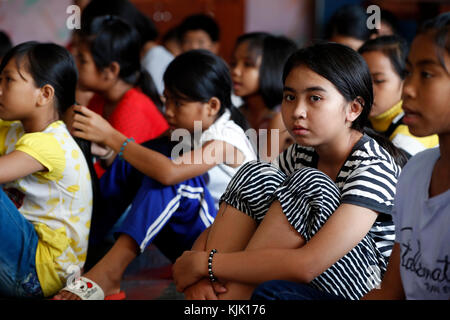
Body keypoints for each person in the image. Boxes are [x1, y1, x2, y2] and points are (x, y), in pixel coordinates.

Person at [172, 42, 406, 300]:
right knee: (256, 173)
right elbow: (237, 207)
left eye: (315, 98)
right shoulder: (301, 153)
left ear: (354, 108)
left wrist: (205, 264)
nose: (297, 112)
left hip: (362, 288)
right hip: (299, 273)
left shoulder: (373, 165)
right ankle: (218, 296)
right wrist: (200, 275)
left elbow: (308, 265)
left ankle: (226, 300)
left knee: (310, 183)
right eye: (290, 97)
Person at [53, 49, 257, 300]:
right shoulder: (188, 130)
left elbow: (170, 173)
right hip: (193, 239)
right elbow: (142, 160)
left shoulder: (226, 138)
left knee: (170, 177)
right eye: (166, 100)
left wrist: (112, 137)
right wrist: (109, 151)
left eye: (178, 103)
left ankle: (110, 273)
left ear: (212, 106)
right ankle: (83, 256)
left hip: (224, 246)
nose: (168, 111)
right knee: (140, 159)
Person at [363, 12, 450, 300]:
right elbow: (391, 290)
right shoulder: (416, 171)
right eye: (409, 72)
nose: (408, 90)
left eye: (426, 74)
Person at [0, 42, 94, 298]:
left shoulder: (51, 143)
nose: (0, 89)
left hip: (41, 272)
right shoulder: (16, 128)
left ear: (44, 94)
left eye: (8, 80)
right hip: (24, 253)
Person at [66, 15, 168, 177]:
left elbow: (117, 176)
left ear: (111, 71)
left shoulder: (132, 107)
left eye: (83, 60)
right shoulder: (99, 99)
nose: (75, 65)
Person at [359, 35, 439, 157]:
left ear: (405, 80)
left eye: (379, 80)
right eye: (361, 80)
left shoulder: (411, 130)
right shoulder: (364, 119)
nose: (367, 88)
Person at [230, 32, 297, 160]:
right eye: (233, 63)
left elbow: (264, 173)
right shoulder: (238, 113)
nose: (235, 71)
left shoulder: (279, 117)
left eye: (248, 64)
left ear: (271, 68)